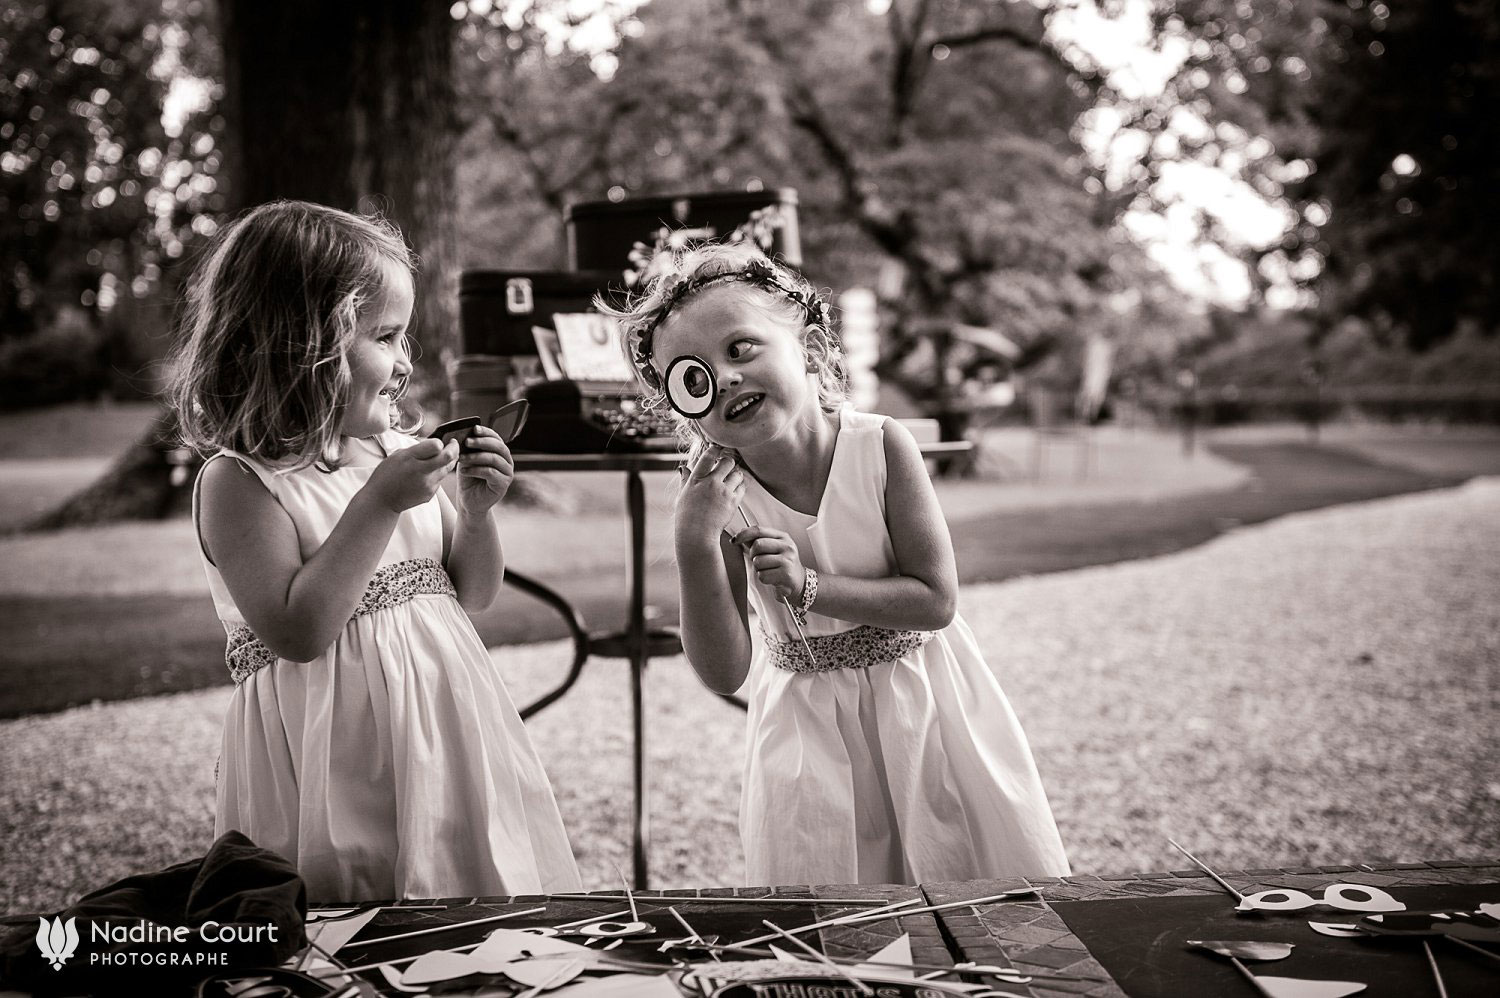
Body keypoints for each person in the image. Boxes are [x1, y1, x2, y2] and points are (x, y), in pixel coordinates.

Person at [601, 244, 1070, 885]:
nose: (727, 378)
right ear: (682, 404)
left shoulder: (879, 447)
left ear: (813, 352)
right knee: (830, 892)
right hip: (805, 726)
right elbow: (724, 670)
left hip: (923, 704)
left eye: (741, 349)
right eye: (695, 374)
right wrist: (693, 545)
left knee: (961, 875)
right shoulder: (718, 498)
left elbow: (935, 600)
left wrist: (810, 587)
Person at [166, 200, 580, 902]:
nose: (404, 362)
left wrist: (476, 515)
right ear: (303, 343)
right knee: (357, 905)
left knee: (466, 884)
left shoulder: (393, 453)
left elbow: (472, 594)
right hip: (332, 751)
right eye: (385, 337)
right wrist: (379, 503)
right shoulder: (240, 483)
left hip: (444, 730)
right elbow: (299, 631)